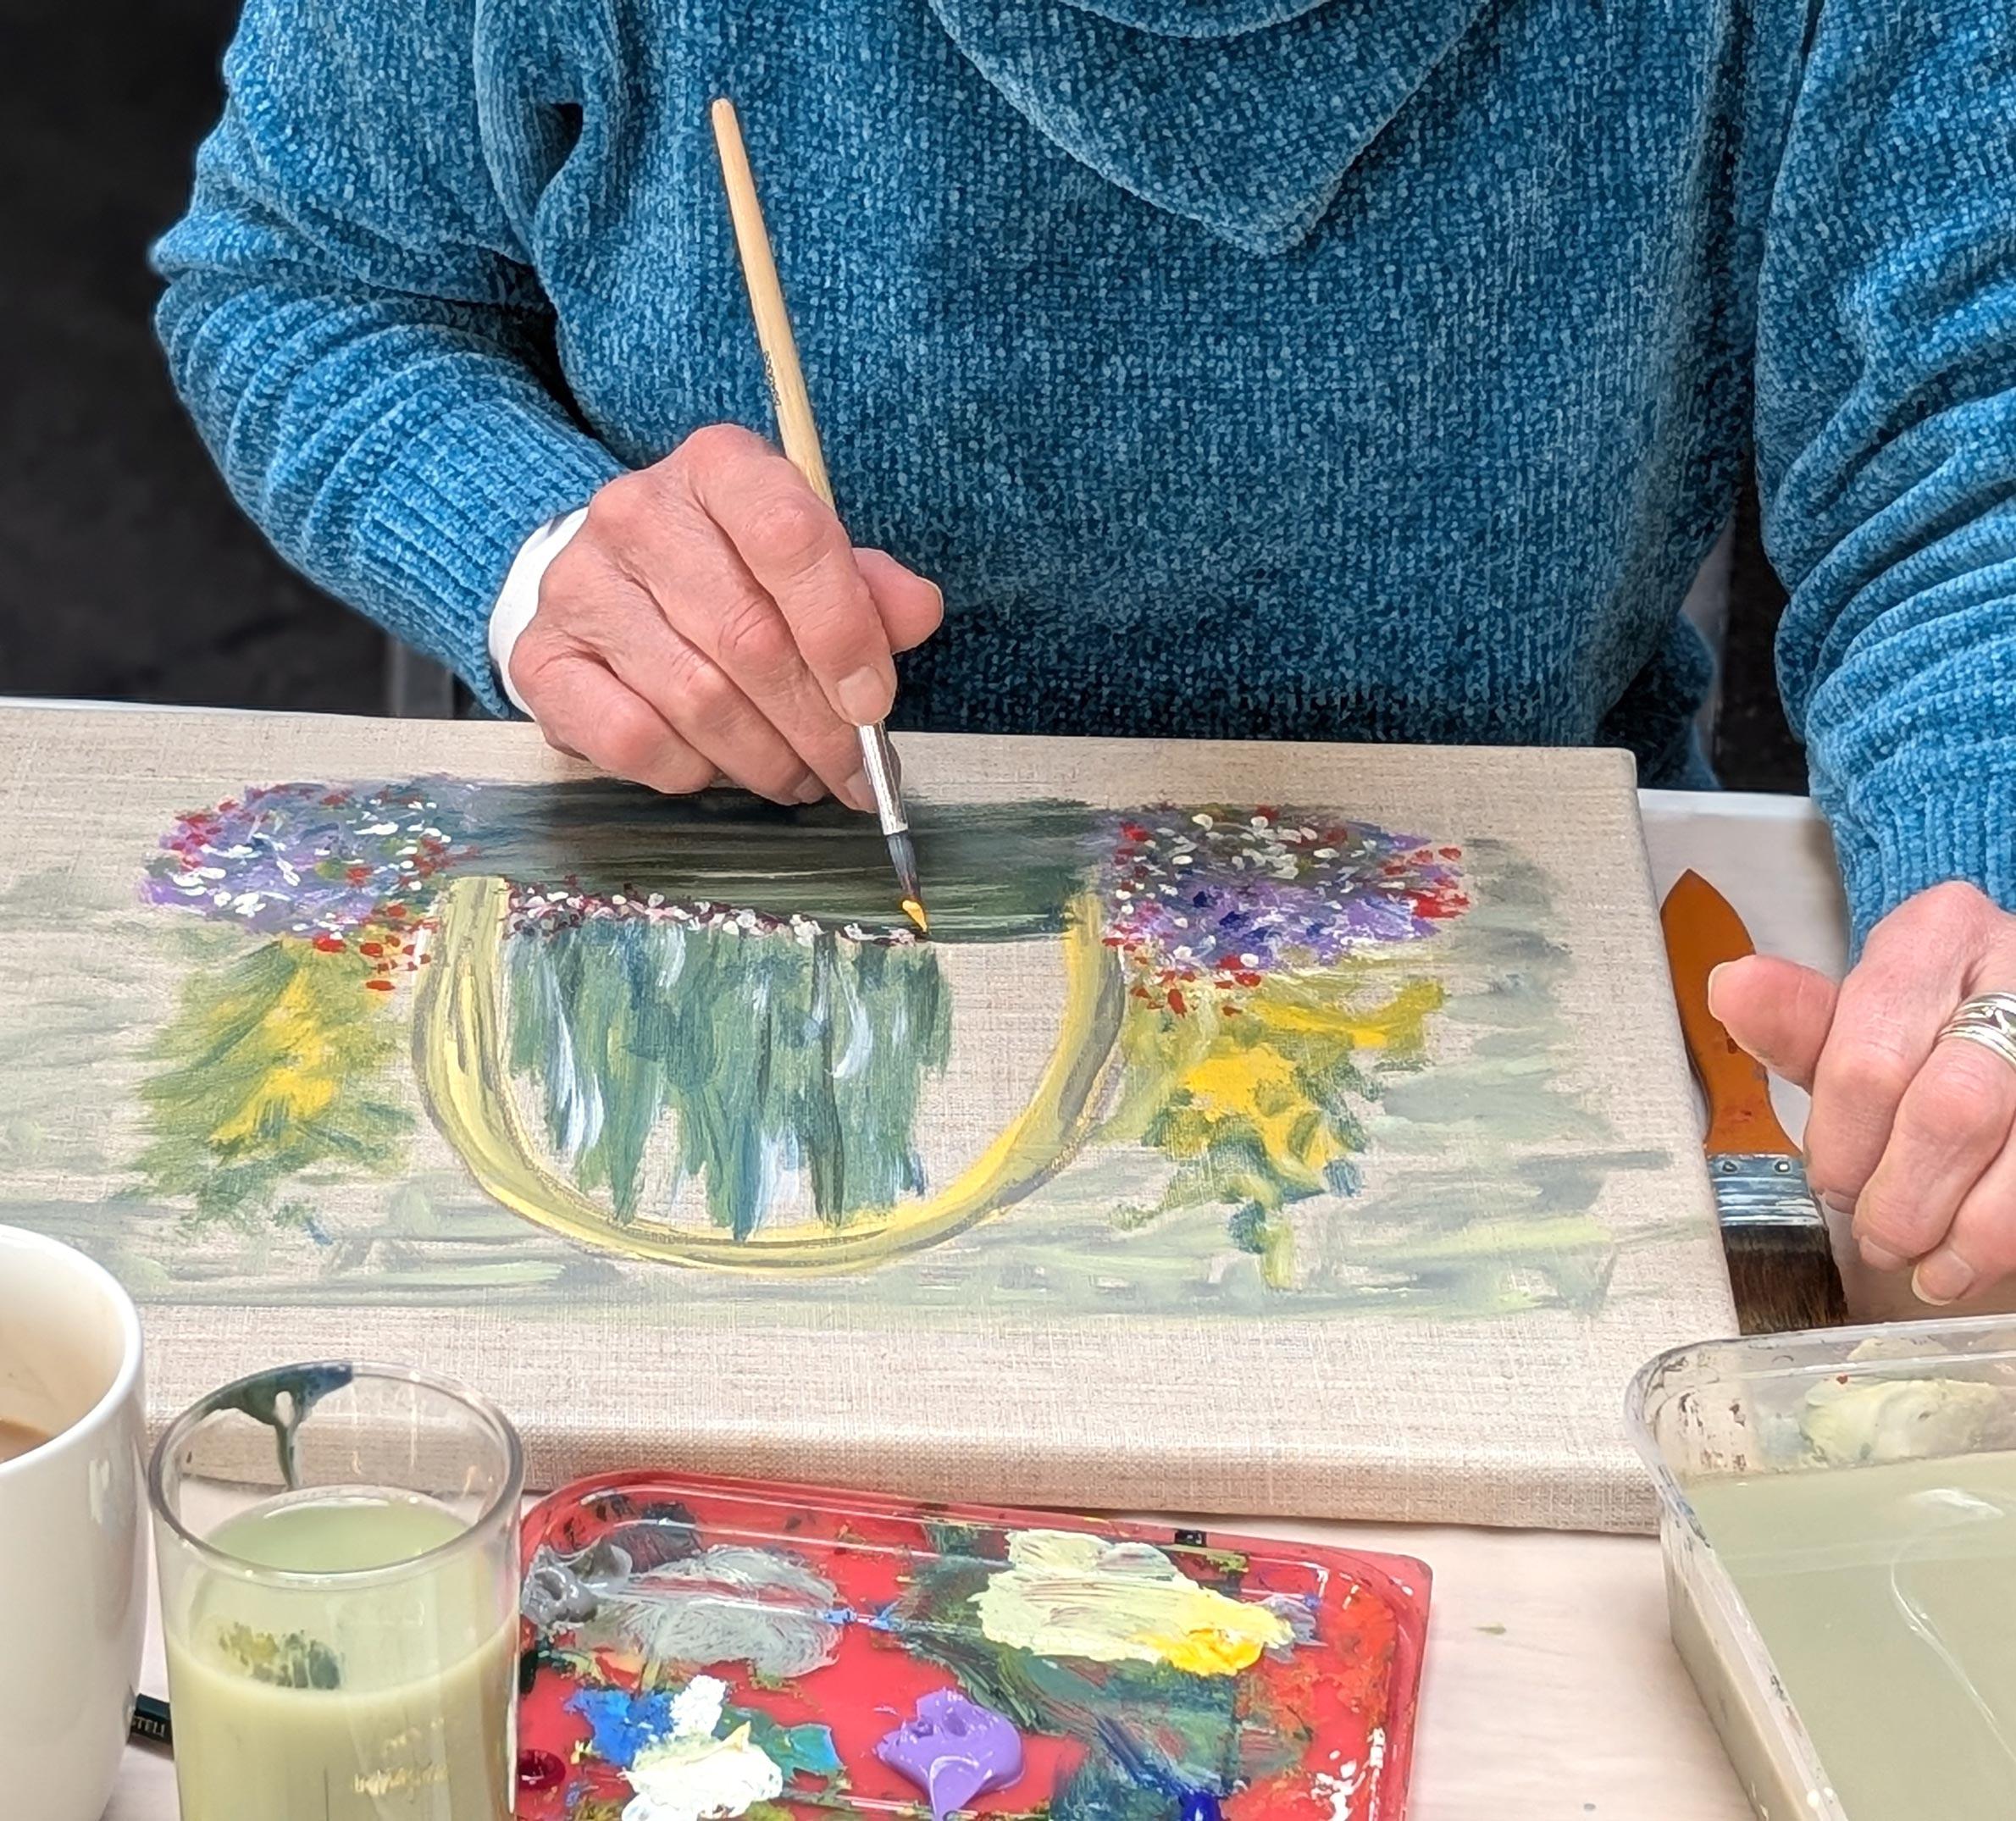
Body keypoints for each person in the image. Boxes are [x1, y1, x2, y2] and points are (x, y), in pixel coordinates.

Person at [154, 0, 2013, 1302]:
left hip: (1515, 979)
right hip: (678, 918)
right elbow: (308, 276)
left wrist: (1983, 929)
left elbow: (1962, 460)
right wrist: (533, 553)